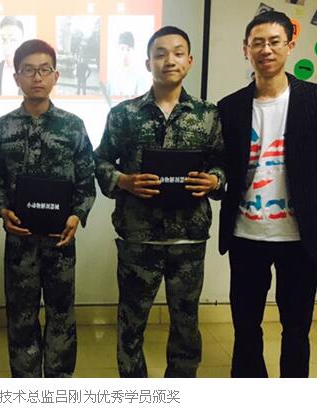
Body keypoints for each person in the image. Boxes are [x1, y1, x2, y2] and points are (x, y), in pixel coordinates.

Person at [94, 26, 225, 377]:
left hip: (188, 239)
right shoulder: (124, 114)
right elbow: (101, 161)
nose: (170, 60)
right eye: (161, 53)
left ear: (190, 61)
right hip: (139, 238)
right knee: (131, 323)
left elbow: (222, 164)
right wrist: (123, 180)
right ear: (148, 62)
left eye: (178, 53)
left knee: (186, 325)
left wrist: (214, 180)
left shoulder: (208, 114)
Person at [218, 11, 317, 378]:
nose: (266, 50)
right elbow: (220, 167)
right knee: (246, 328)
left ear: (290, 46)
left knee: (296, 329)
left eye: (274, 42)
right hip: (246, 234)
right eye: (257, 43)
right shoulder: (229, 107)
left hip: (299, 237)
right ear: (245, 49)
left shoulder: (316, 100)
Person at [0, 39, 96, 377]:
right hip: (20, 242)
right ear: (16, 77)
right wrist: (2, 210)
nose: (37, 77)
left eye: (44, 69)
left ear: (55, 75)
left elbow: (86, 180)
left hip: (60, 241)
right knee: (21, 316)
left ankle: (59, 383)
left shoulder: (73, 126)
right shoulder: (1, 127)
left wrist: (77, 215)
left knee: (61, 314)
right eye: (28, 70)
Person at [0, 16, 24, 96]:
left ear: (22, 42)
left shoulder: (31, 70)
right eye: (3, 39)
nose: (7, 45)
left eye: (12, 40)